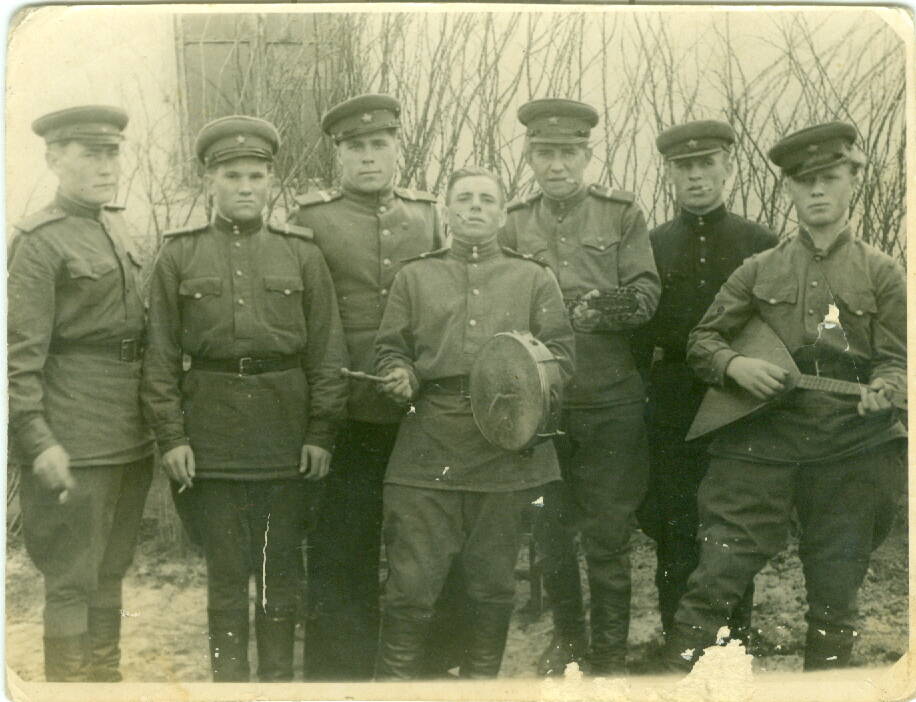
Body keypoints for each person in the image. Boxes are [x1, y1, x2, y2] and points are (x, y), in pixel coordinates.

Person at [664, 121, 906, 671]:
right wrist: (735, 365)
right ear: (789, 190)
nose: (816, 190)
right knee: (714, 580)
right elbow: (702, 340)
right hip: (760, 441)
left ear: (853, 180)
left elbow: (897, 359)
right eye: (803, 181)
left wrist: (886, 391)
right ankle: (677, 686)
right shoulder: (758, 269)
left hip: (852, 447)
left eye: (828, 177)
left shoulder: (883, 272)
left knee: (836, 593)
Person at [141, 115, 348, 682]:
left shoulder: (301, 254)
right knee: (227, 578)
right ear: (210, 180)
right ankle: (229, 686)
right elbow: (159, 358)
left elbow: (327, 353)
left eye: (256, 175)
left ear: (270, 181)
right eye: (232, 175)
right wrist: (172, 438)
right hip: (211, 440)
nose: (245, 187)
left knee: (280, 573)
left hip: (287, 438)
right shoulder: (178, 257)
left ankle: (278, 685)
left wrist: (321, 433)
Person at [373, 166, 575, 679]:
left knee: (492, 587)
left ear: (503, 213)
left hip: (507, 447)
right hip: (428, 447)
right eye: (464, 198)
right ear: (447, 210)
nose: (476, 207)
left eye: (488, 199)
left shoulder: (534, 278)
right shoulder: (415, 276)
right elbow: (389, 349)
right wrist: (398, 375)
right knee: (410, 588)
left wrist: (520, 397)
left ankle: (482, 687)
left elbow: (563, 359)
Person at [288, 93, 457, 680]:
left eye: (378, 145)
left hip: (418, 404)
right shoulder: (311, 219)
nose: (367, 157)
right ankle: (341, 673)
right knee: (342, 542)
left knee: (426, 541)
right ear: (339, 155)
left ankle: (431, 669)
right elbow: (304, 313)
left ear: (396, 147)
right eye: (355, 147)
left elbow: (442, 300)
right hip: (345, 405)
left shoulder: (429, 213)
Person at [500, 98, 660, 675]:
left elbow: (644, 295)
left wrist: (585, 311)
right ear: (530, 157)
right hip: (540, 407)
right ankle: (568, 643)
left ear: (587, 156)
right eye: (545, 153)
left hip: (609, 397)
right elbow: (500, 302)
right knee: (548, 530)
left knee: (608, 533)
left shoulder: (620, 215)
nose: (557, 165)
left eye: (568, 153)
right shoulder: (514, 222)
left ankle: (612, 656)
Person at [8, 105, 153, 682]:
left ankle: (105, 684)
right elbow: (19, 360)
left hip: (129, 431)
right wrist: (38, 440)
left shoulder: (115, 226)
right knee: (71, 576)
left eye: (111, 152)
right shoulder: (39, 242)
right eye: (89, 154)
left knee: (112, 568)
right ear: (53, 159)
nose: (104, 166)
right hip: (73, 436)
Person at [632, 120, 777, 646]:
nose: (695, 177)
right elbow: (636, 337)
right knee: (674, 527)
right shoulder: (650, 245)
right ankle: (679, 646)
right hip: (670, 402)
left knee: (731, 531)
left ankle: (732, 648)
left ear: (727, 168)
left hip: (737, 401)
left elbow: (778, 329)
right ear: (670, 174)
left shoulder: (759, 242)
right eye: (683, 167)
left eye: (705, 164)